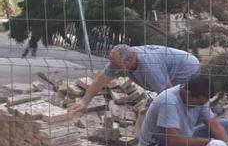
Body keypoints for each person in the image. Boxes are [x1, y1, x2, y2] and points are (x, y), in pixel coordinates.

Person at [68, 44, 200, 113]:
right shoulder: (118, 61)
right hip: (171, 67)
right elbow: (102, 79)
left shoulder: (149, 68)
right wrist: (84, 102)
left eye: (118, 66)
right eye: (113, 64)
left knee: (182, 101)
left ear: (130, 60)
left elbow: (168, 93)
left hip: (187, 67)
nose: (114, 69)